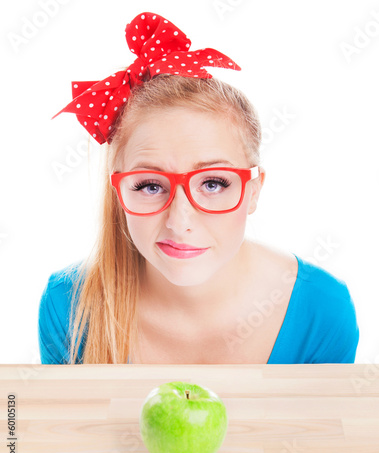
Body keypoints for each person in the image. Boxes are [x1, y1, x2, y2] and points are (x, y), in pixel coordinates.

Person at [38, 12, 359, 365]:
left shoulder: (322, 311)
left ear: (253, 191)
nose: (180, 221)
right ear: (119, 193)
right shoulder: (67, 308)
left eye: (212, 183)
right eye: (149, 186)